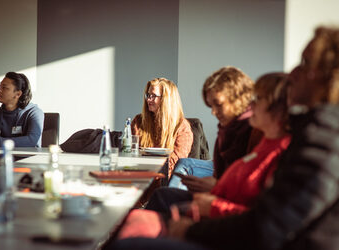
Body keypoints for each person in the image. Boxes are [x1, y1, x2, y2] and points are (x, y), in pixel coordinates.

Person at [107, 26, 339, 250]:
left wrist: (192, 227)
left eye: (306, 63)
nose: (293, 73)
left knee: (129, 241)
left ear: (330, 77)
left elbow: (268, 227)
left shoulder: (323, 136)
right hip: (228, 220)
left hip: (238, 232)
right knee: (142, 217)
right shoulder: (301, 131)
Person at [115, 73, 291, 239]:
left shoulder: (269, 145)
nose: (213, 112)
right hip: (211, 201)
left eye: (218, 104)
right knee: (155, 202)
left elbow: (249, 205)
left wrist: (211, 198)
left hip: (218, 211)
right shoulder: (251, 137)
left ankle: (150, 231)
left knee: (177, 175)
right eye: (148, 95)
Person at [168, 66, 262, 191]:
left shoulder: (255, 130)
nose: (213, 112)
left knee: (165, 195)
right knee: (162, 195)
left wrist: (217, 188)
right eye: (211, 105)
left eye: (218, 104)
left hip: (227, 202)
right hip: (220, 197)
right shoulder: (225, 131)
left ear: (238, 97)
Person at [131, 77, 193, 179]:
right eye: (148, 95)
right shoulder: (138, 121)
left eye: (153, 96)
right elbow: (132, 154)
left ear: (166, 99)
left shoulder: (182, 127)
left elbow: (175, 164)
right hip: (139, 174)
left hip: (164, 179)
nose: (148, 99)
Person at [0, 72, 44, 148]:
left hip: (26, 159)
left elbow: (31, 140)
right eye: (0, 87)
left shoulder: (34, 112)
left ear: (18, 94)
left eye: (4, 88)